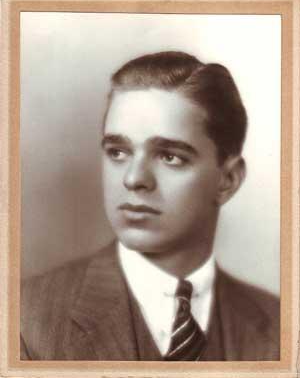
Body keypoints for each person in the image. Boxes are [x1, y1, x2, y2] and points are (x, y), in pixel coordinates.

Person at [21, 51, 280, 361]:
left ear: (228, 180)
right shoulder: (25, 317)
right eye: (118, 152)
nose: (133, 179)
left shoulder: (282, 325)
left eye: (170, 156)